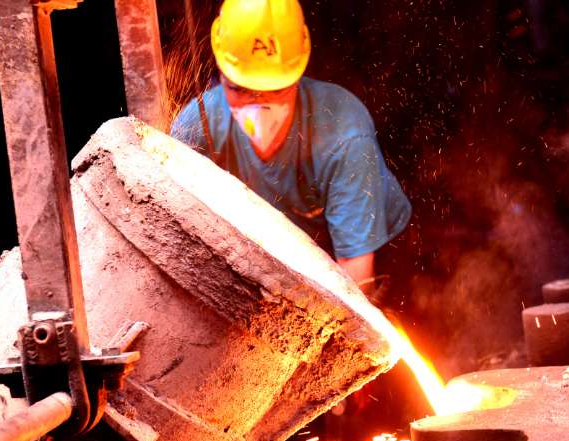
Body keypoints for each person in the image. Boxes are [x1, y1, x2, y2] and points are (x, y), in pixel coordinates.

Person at [170, 0, 411, 297]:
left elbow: (356, 284)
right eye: (240, 90)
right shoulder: (198, 127)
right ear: (220, 71)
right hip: (270, 252)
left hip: (359, 247)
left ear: (298, 74)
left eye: (275, 91)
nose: (258, 109)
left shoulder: (344, 136)